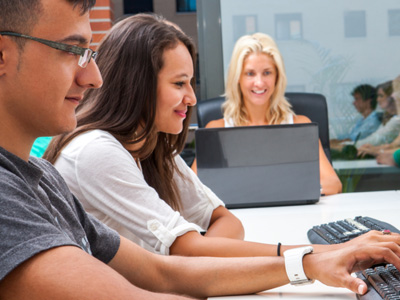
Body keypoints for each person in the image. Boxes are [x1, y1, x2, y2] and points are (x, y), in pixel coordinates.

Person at [2, 2, 400, 298]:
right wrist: (314, 257)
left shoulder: (44, 181)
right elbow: (173, 265)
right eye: (71, 50)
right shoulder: (76, 160)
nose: (93, 77)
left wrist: (311, 261)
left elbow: (164, 271)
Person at [191, 33, 342, 195]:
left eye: (267, 73)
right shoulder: (216, 129)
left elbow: (333, 184)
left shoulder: (300, 125)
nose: (260, 83)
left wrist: (289, 192)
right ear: (237, 78)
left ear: (277, 77)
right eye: (250, 73)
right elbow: (191, 189)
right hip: (239, 218)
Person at [357, 80, 400, 155]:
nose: (377, 99)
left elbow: (377, 140)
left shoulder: (396, 120)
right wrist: (377, 149)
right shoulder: (390, 118)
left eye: (381, 95)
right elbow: (393, 145)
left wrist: (378, 151)